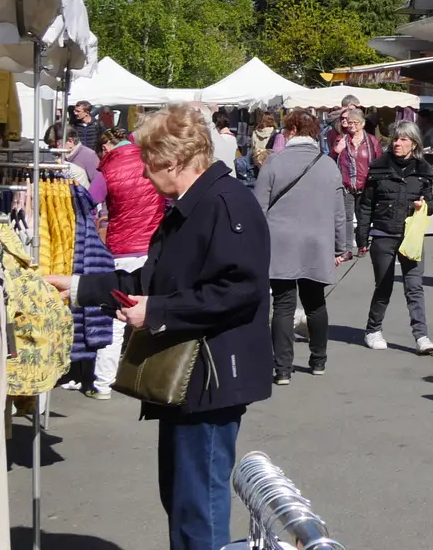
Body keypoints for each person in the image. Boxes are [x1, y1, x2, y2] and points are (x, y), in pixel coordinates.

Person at [46, 104, 272, 550]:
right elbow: (148, 281)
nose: (145, 176)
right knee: (182, 497)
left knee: (198, 505)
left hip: (208, 376)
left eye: (149, 164)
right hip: (189, 377)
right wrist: (76, 287)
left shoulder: (224, 203)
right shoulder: (193, 204)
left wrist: (158, 312)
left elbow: (240, 291)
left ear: (175, 161)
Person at [260, 111, 346, 382]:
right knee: (315, 303)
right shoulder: (328, 165)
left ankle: (282, 369)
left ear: (292, 130)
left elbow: (258, 209)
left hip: (280, 241)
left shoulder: (274, 163)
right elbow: (339, 212)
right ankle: (318, 360)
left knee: (283, 306)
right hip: (317, 242)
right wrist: (340, 247)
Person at [90, 127, 167, 400]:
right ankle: (155, 376)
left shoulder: (106, 171)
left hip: (120, 248)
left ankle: (103, 383)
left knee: (116, 315)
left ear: (106, 147)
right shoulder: (152, 161)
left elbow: (90, 203)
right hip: (152, 247)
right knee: (153, 310)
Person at [357, 121, 433, 355]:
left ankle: (421, 336)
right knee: (384, 286)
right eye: (395, 139)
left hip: (411, 237)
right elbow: (366, 206)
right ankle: (373, 330)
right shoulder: (378, 167)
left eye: (403, 139)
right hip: (383, 234)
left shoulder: (423, 170)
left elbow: (431, 204)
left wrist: (424, 205)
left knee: (414, 287)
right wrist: (362, 238)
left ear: (414, 143)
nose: (397, 143)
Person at [329, 106, 382, 253]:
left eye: (355, 123)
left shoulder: (372, 141)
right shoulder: (341, 139)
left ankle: (362, 245)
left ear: (363, 123)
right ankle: (346, 249)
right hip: (346, 185)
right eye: (350, 122)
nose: (352, 125)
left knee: (363, 218)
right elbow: (329, 161)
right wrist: (336, 151)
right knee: (345, 218)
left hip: (366, 185)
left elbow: (379, 163)